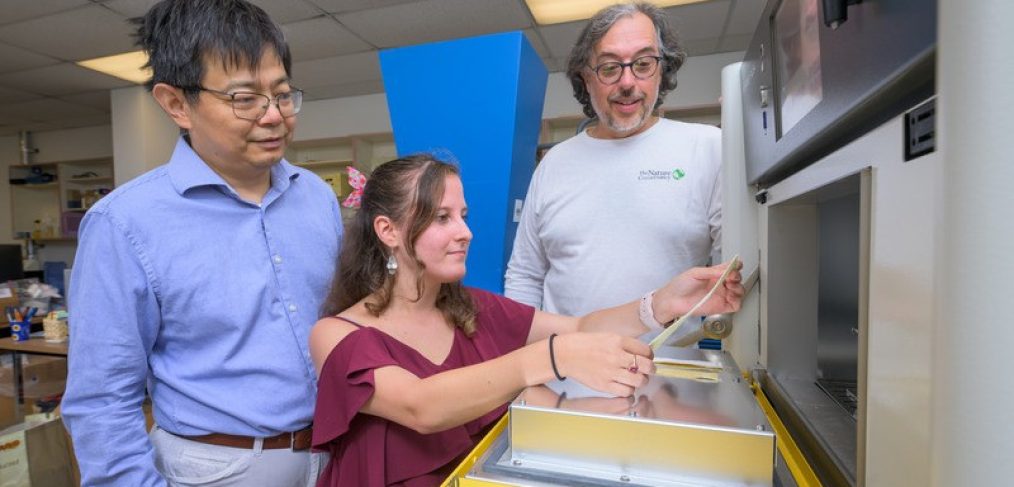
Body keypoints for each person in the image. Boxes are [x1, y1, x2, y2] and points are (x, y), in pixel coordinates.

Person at [308, 154, 742, 486]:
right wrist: (549, 358)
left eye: (464, 215)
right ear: (388, 231)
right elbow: (421, 406)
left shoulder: (474, 309)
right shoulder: (336, 335)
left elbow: (577, 329)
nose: (465, 232)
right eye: (442, 217)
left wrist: (662, 303)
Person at [61, 1, 342, 485]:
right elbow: (102, 399)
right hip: (217, 468)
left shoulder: (317, 198)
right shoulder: (124, 223)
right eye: (245, 98)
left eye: (282, 94)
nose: (273, 116)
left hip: (331, 454)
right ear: (176, 104)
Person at [505, 3, 722, 340]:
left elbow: (735, 272)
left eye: (643, 64)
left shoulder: (708, 148)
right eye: (609, 68)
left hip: (668, 379)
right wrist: (524, 366)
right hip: (561, 378)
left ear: (662, 70)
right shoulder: (553, 164)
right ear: (585, 78)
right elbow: (525, 276)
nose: (627, 81)